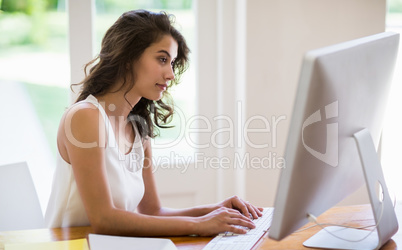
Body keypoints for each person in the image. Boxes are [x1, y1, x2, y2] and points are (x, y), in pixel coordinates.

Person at [45, 9, 262, 236]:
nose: (170, 74)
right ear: (128, 58)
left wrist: (216, 211)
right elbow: (103, 219)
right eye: (162, 59)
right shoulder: (85, 117)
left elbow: (153, 211)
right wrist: (199, 225)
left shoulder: (138, 128)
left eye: (172, 63)